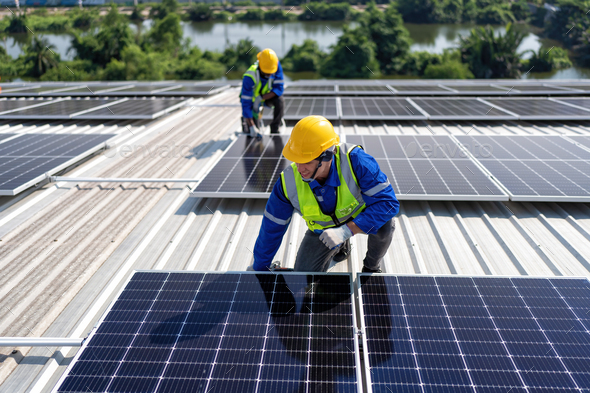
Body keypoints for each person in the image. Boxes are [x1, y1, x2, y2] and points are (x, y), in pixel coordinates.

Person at [250, 115, 399, 273]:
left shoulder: (356, 161)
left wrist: (346, 231)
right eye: (297, 160)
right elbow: (271, 228)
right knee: (303, 278)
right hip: (323, 231)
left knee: (385, 225)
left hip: (358, 218)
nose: (300, 169)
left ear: (327, 155)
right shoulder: (288, 183)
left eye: (307, 161)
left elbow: (388, 204)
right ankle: (341, 246)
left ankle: (371, 267)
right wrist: (259, 268)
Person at [240, 48, 285, 134]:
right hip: (252, 101)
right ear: (260, 65)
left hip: (267, 97)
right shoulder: (249, 76)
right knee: (254, 131)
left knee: (280, 100)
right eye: (266, 72)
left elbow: (279, 88)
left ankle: (275, 128)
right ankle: (247, 122)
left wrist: (261, 98)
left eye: (270, 73)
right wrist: (252, 126)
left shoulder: (275, 65)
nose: (269, 74)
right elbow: (246, 102)